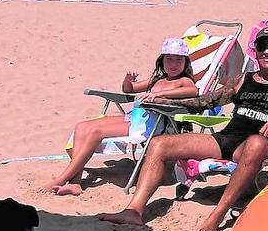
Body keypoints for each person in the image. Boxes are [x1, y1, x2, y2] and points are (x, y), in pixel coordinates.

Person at [97, 26, 268, 231]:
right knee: (159, 144)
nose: (267, 51)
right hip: (226, 139)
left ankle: (218, 214)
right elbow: (205, 101)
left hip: (253, 149)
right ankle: (134, 210)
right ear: (256, 50)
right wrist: (165, 100)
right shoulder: (243, 80)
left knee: (257, 143)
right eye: (262, 46)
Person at [44, 38, 199, 195]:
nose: (173, 64)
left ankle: (61, 179)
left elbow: (193, 91)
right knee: (82, 127)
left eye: (179, 60)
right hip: (137, 118)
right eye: (169, 59)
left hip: (153, 124)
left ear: (185, 63)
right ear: (162, 61)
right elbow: (129, 89)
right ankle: (75, 182)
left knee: (95, 132)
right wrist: (128, 81)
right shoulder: (157, 79)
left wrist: (159, 94)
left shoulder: (183, 81)